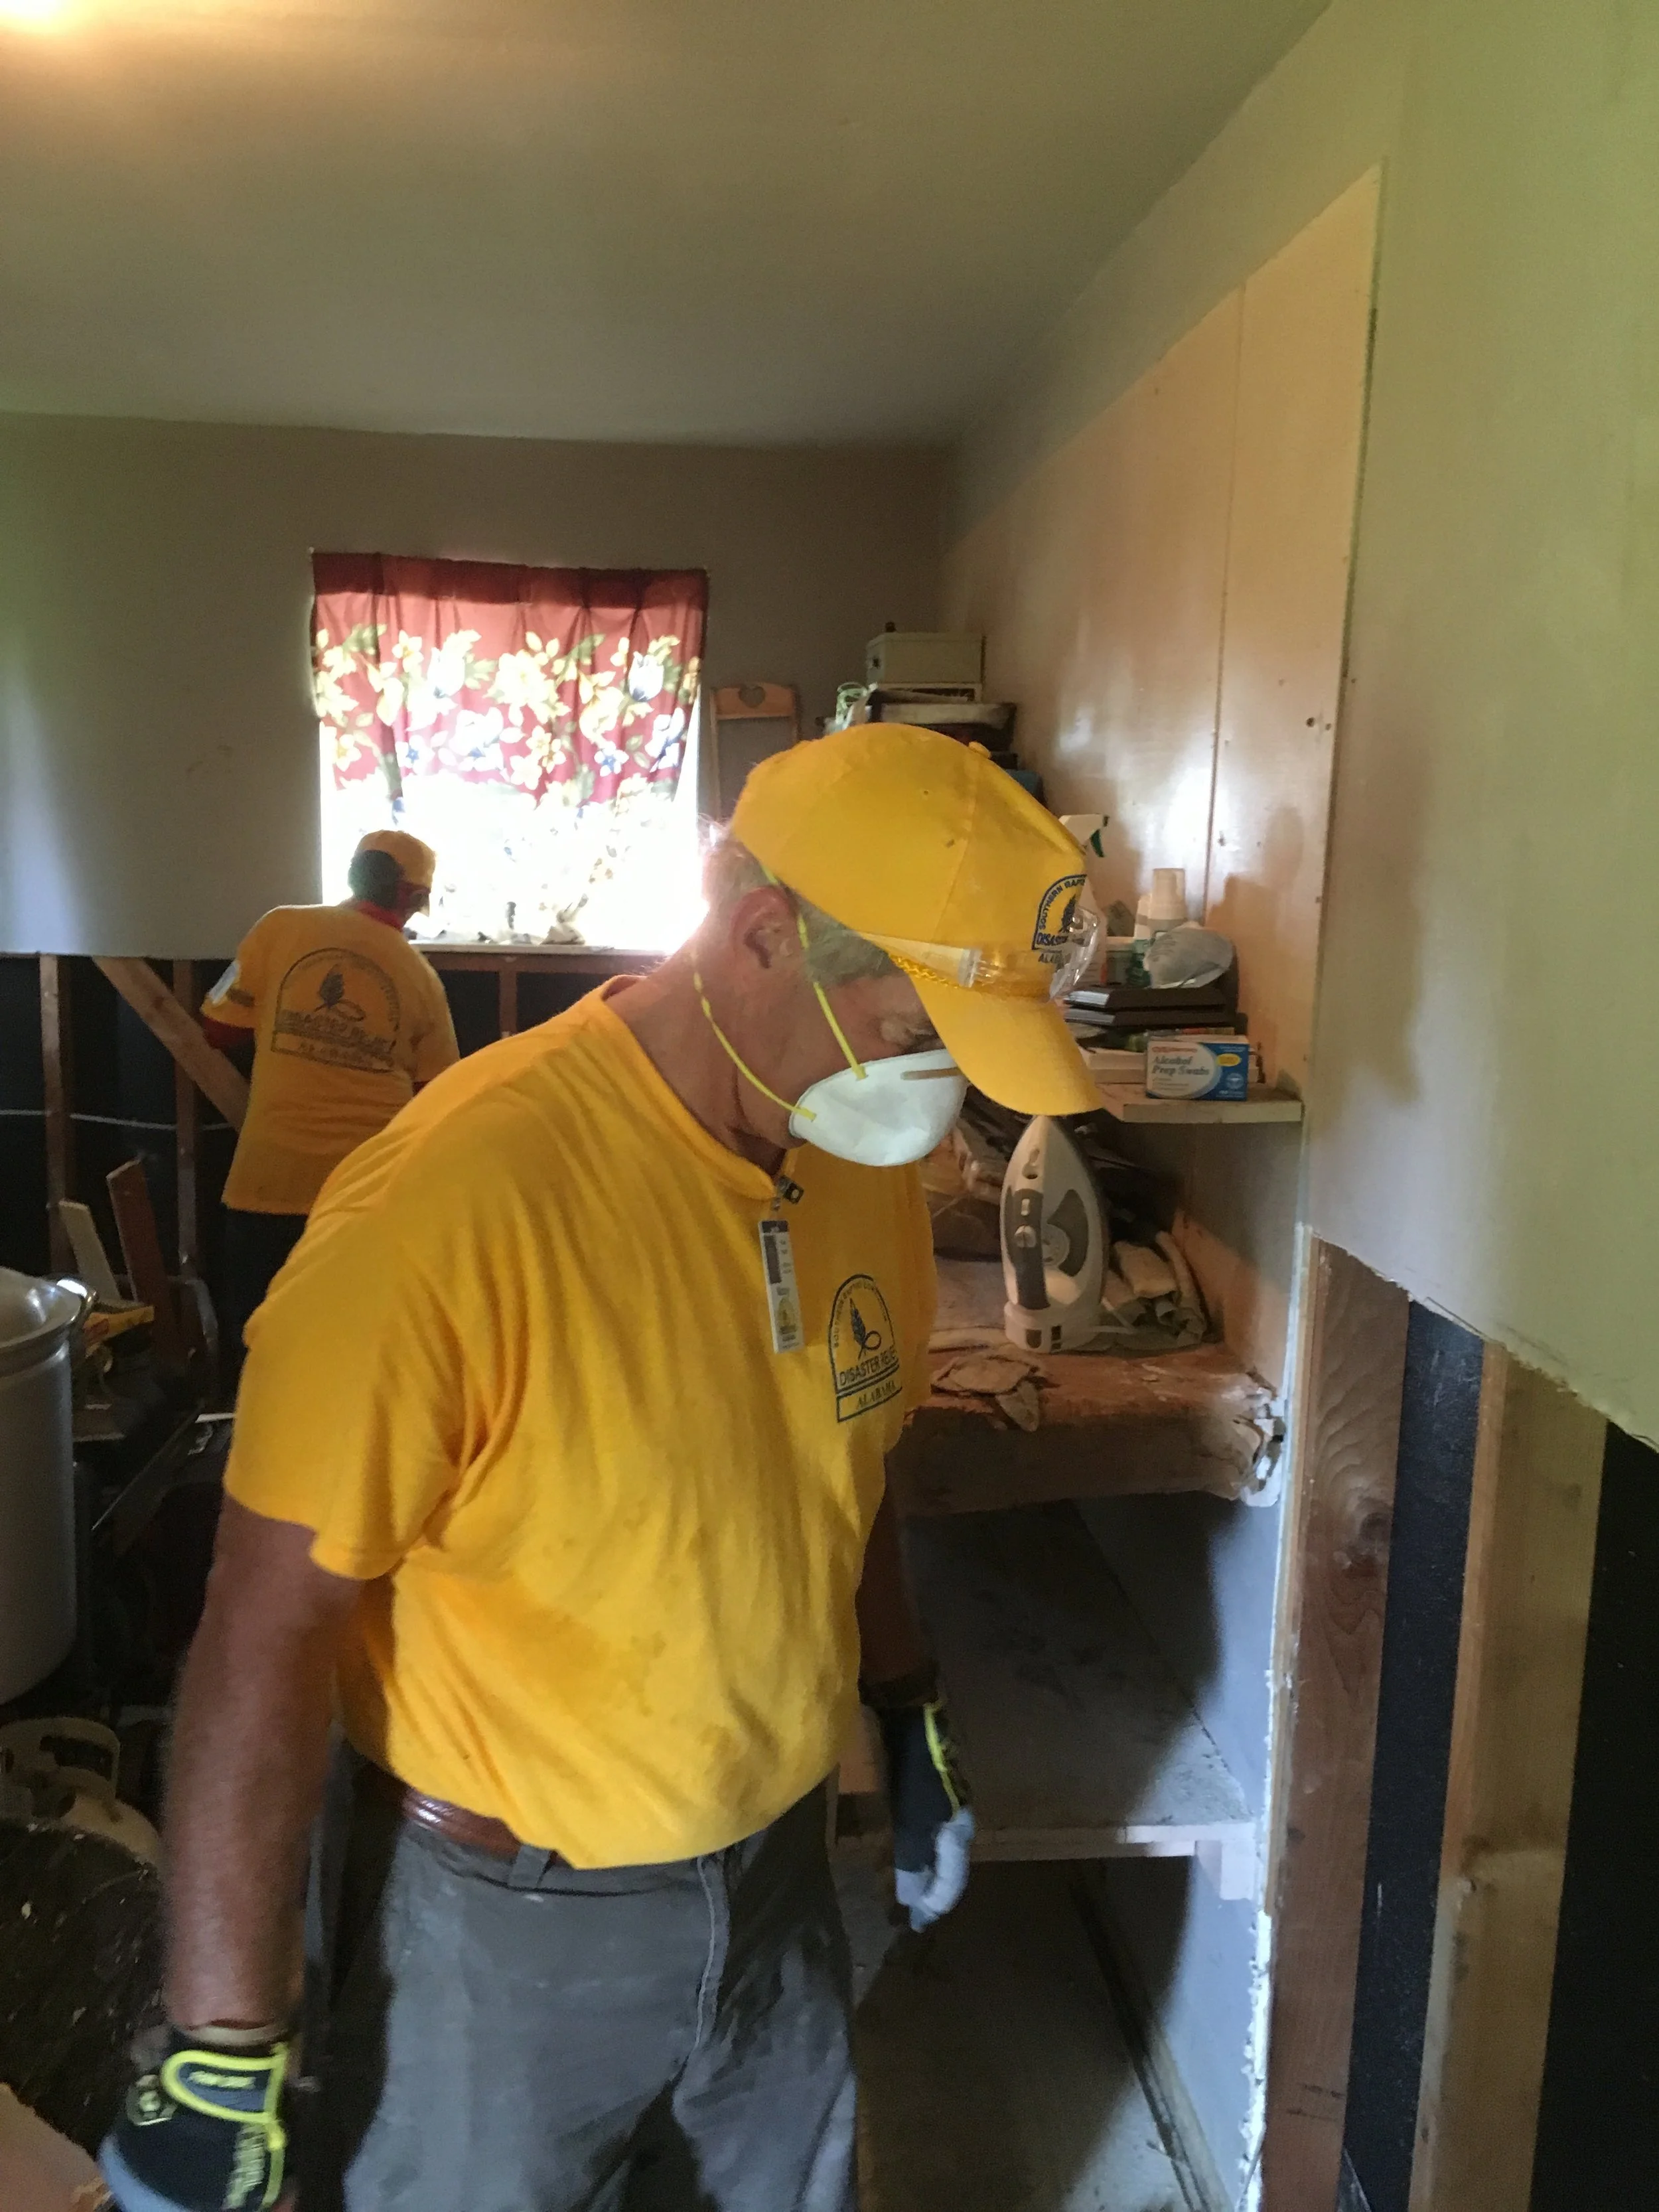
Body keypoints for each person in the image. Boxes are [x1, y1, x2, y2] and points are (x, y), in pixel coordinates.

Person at [102, 726, 1102, 2212]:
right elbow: (264, 1623)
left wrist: (904, 1707)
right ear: (761, 933)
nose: (940, 1084)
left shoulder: (853, 1159)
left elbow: (852, 1447)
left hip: (776, 1887)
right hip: (506, 1938)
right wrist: (222, 2042)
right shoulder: (450, 1205)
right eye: (917, 1027)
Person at [199, 830, 460, 1364]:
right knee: (348, 1354)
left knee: (258, 1348)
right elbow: (438, 1096)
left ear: (354, 875)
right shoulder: (423, 979)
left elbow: (217, 1029)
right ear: (414, 898)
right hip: (364, 1197)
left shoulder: (281, 927)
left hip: (266, 1185)